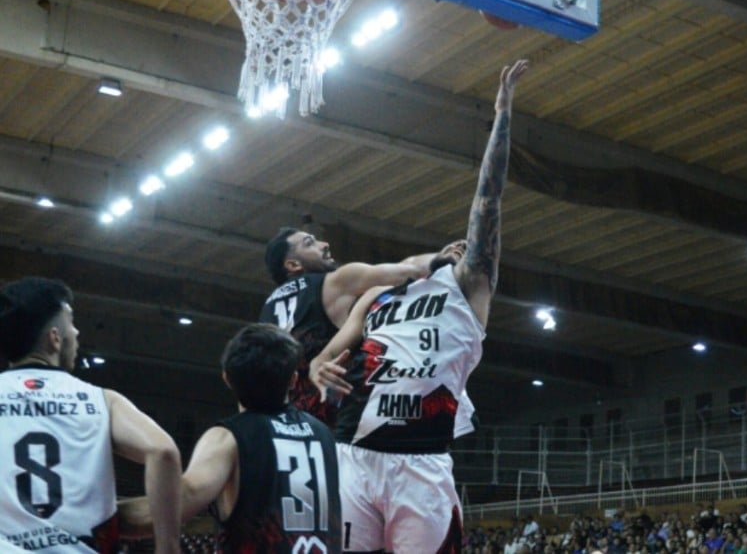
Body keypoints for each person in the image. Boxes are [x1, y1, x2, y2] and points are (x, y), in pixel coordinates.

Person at [309, 59, 529, 553]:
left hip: (420, 458)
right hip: (353, 450)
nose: (461, 247)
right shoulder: (377, 295)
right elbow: (325, 355)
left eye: (466, 246)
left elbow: (488, 201)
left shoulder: (467, 286)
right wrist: (319, 368)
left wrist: (502, 115)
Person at [120, 323, 341, 553]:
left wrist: (104, 513)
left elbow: (177, 504)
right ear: (293, 380)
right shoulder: (323, 434)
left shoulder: (227, 438)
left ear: (227, 379)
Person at [0, 277, 181, 553]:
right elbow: (163, 451)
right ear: (55, 338)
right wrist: (168, 546)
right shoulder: (101, 400)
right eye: (72, 322)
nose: (77, 332)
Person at [261, 223, 437, 426]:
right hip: (343, 418)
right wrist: (453, 256)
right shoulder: (336, 281)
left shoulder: (265, 314)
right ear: (293, 265)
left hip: (287, 426)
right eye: (310, 243)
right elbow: (411, 270)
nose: (324, 244)